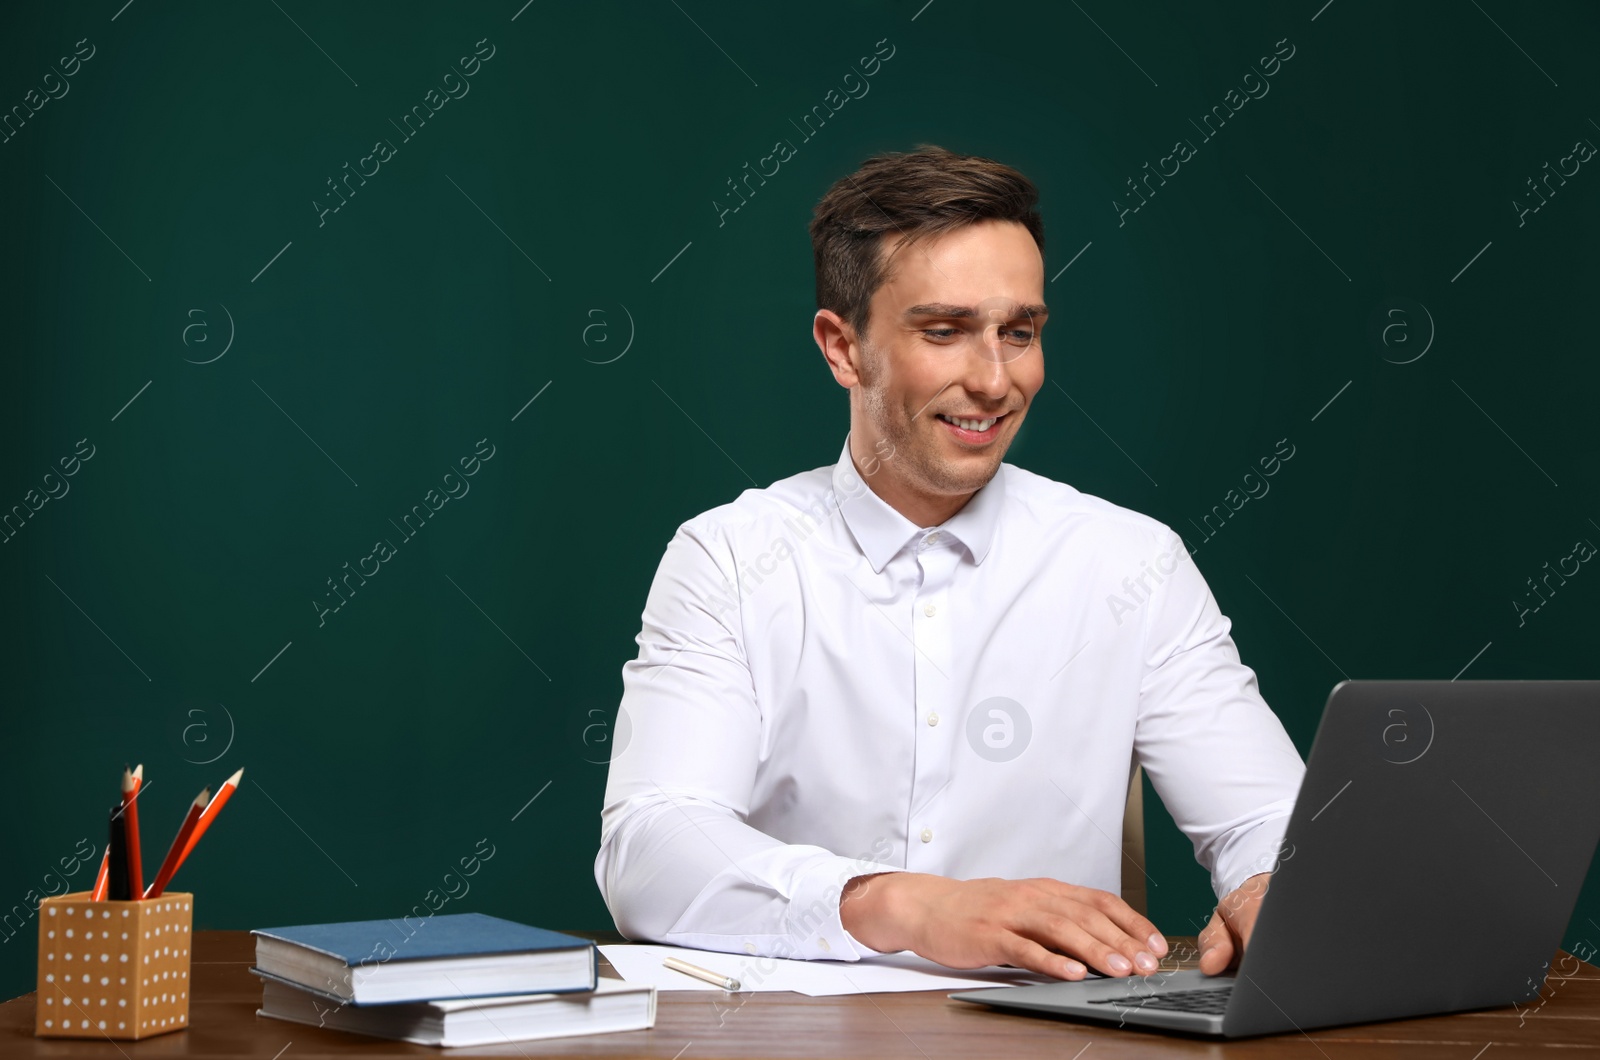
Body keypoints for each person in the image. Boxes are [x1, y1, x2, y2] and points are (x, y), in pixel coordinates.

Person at [594, 144, 1305, 981]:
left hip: (1055, 1044)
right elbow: (650, 850)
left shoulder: (1130, 563)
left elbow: (1269, 820)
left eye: (1020, 332)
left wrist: (1273, 886)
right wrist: (911, 905)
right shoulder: (728, 558)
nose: (996, 380)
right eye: (945, 331)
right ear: (842, 347)